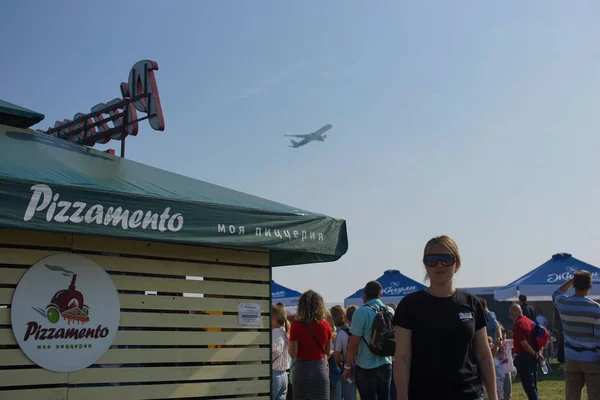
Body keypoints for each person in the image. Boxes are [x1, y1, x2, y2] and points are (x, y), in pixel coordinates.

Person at [392, 235, 498, 400]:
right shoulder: (410, 305)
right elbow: (402, 357)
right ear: (425, 264)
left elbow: (483, 355)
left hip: (470, 394)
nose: (439, 264)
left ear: (457, 264)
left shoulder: (471, 303)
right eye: (432, 259)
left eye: (447, 258)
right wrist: (402, 397)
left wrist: (494, 396)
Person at [552, 271, 600, 400]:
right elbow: (598, 339)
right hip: (592, 358)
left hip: (571, 357)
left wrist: (571, 280)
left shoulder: (563, 303)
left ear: (573, 285)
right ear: (590, 286)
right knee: (595, 395)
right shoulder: (596, 308)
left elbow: (556, 293)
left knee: (572, 395)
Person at [342, 281, 394, 400]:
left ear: (364, 294)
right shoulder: (390, 311)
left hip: (366, 365)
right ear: (380, 294)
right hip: (386, 362)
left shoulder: (361, 312)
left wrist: (348, 366)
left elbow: (354, 344)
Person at [288, 290, 332, 400]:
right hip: (319, 370)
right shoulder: (326, 325)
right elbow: (327, 351)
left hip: (302, 371)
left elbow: (293, 353)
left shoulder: (296, 326)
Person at [509, 304, 539, 400]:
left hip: (524, 357)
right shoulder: (530, 321)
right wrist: (537, 353)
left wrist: (533, 353)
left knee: (528, 386)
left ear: (512, 313)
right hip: (533, 355)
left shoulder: (518, 324)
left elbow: (524, 343)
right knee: (533, 384)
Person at [331, 305, 356, 400]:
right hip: (361, 367)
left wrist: (340, 366)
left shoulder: (341, 333)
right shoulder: (355, 330)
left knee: (349, 395)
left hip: (347, 369)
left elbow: (336, 357)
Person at [272, 303, 291, 400]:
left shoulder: (275, 333)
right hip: (284, 374)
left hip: (275, 373)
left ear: (273, 318)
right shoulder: (284, 332)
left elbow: (275, 351)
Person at [497, 328, 515, 400]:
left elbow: (517, 341)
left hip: (507, 371)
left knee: (508, 391)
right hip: (498, 372)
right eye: (502, 333)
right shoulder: (495, 345)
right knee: (499, 393)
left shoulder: (508, 343)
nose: (503, 335)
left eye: (504, 333)